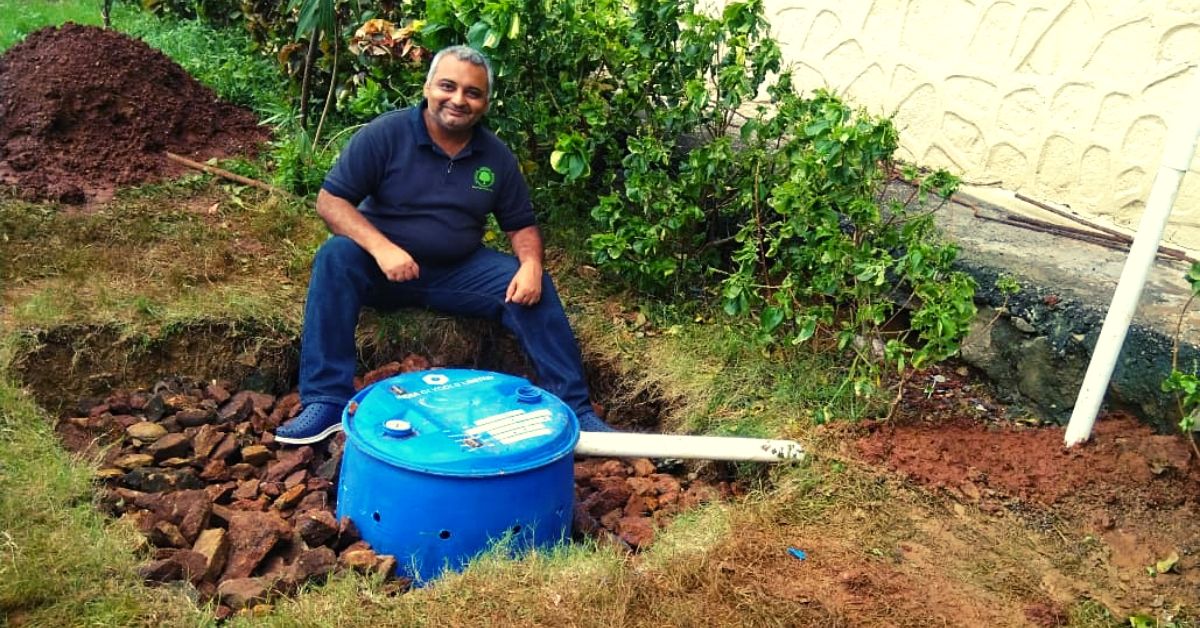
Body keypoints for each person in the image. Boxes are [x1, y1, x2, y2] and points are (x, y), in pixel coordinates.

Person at [274, 45, 615, 445]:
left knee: (529, 286)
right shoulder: (386, 135)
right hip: (381, 269)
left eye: (472, 92)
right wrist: (382, 248)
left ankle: (574, 409)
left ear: (485, 103)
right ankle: (327, 401)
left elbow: (521, 224)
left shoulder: (496, 157)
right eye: (448, 87)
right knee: (335, 256)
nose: (458, 99)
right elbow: (330, 202)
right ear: (427, 87)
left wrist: (531, 264)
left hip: (460, 273)